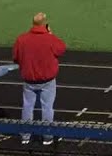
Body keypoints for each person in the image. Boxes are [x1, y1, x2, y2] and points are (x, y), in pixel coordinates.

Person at [12, 12, 66, 146]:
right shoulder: (49, 39)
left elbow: (16, 58)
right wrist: (50, 34)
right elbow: (61, 49)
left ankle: (25, 136)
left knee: (27, 107)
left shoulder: (22, 39)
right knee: (47, 108)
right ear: (45, 24)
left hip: (29, 80)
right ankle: (47, 137)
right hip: (47, 81)